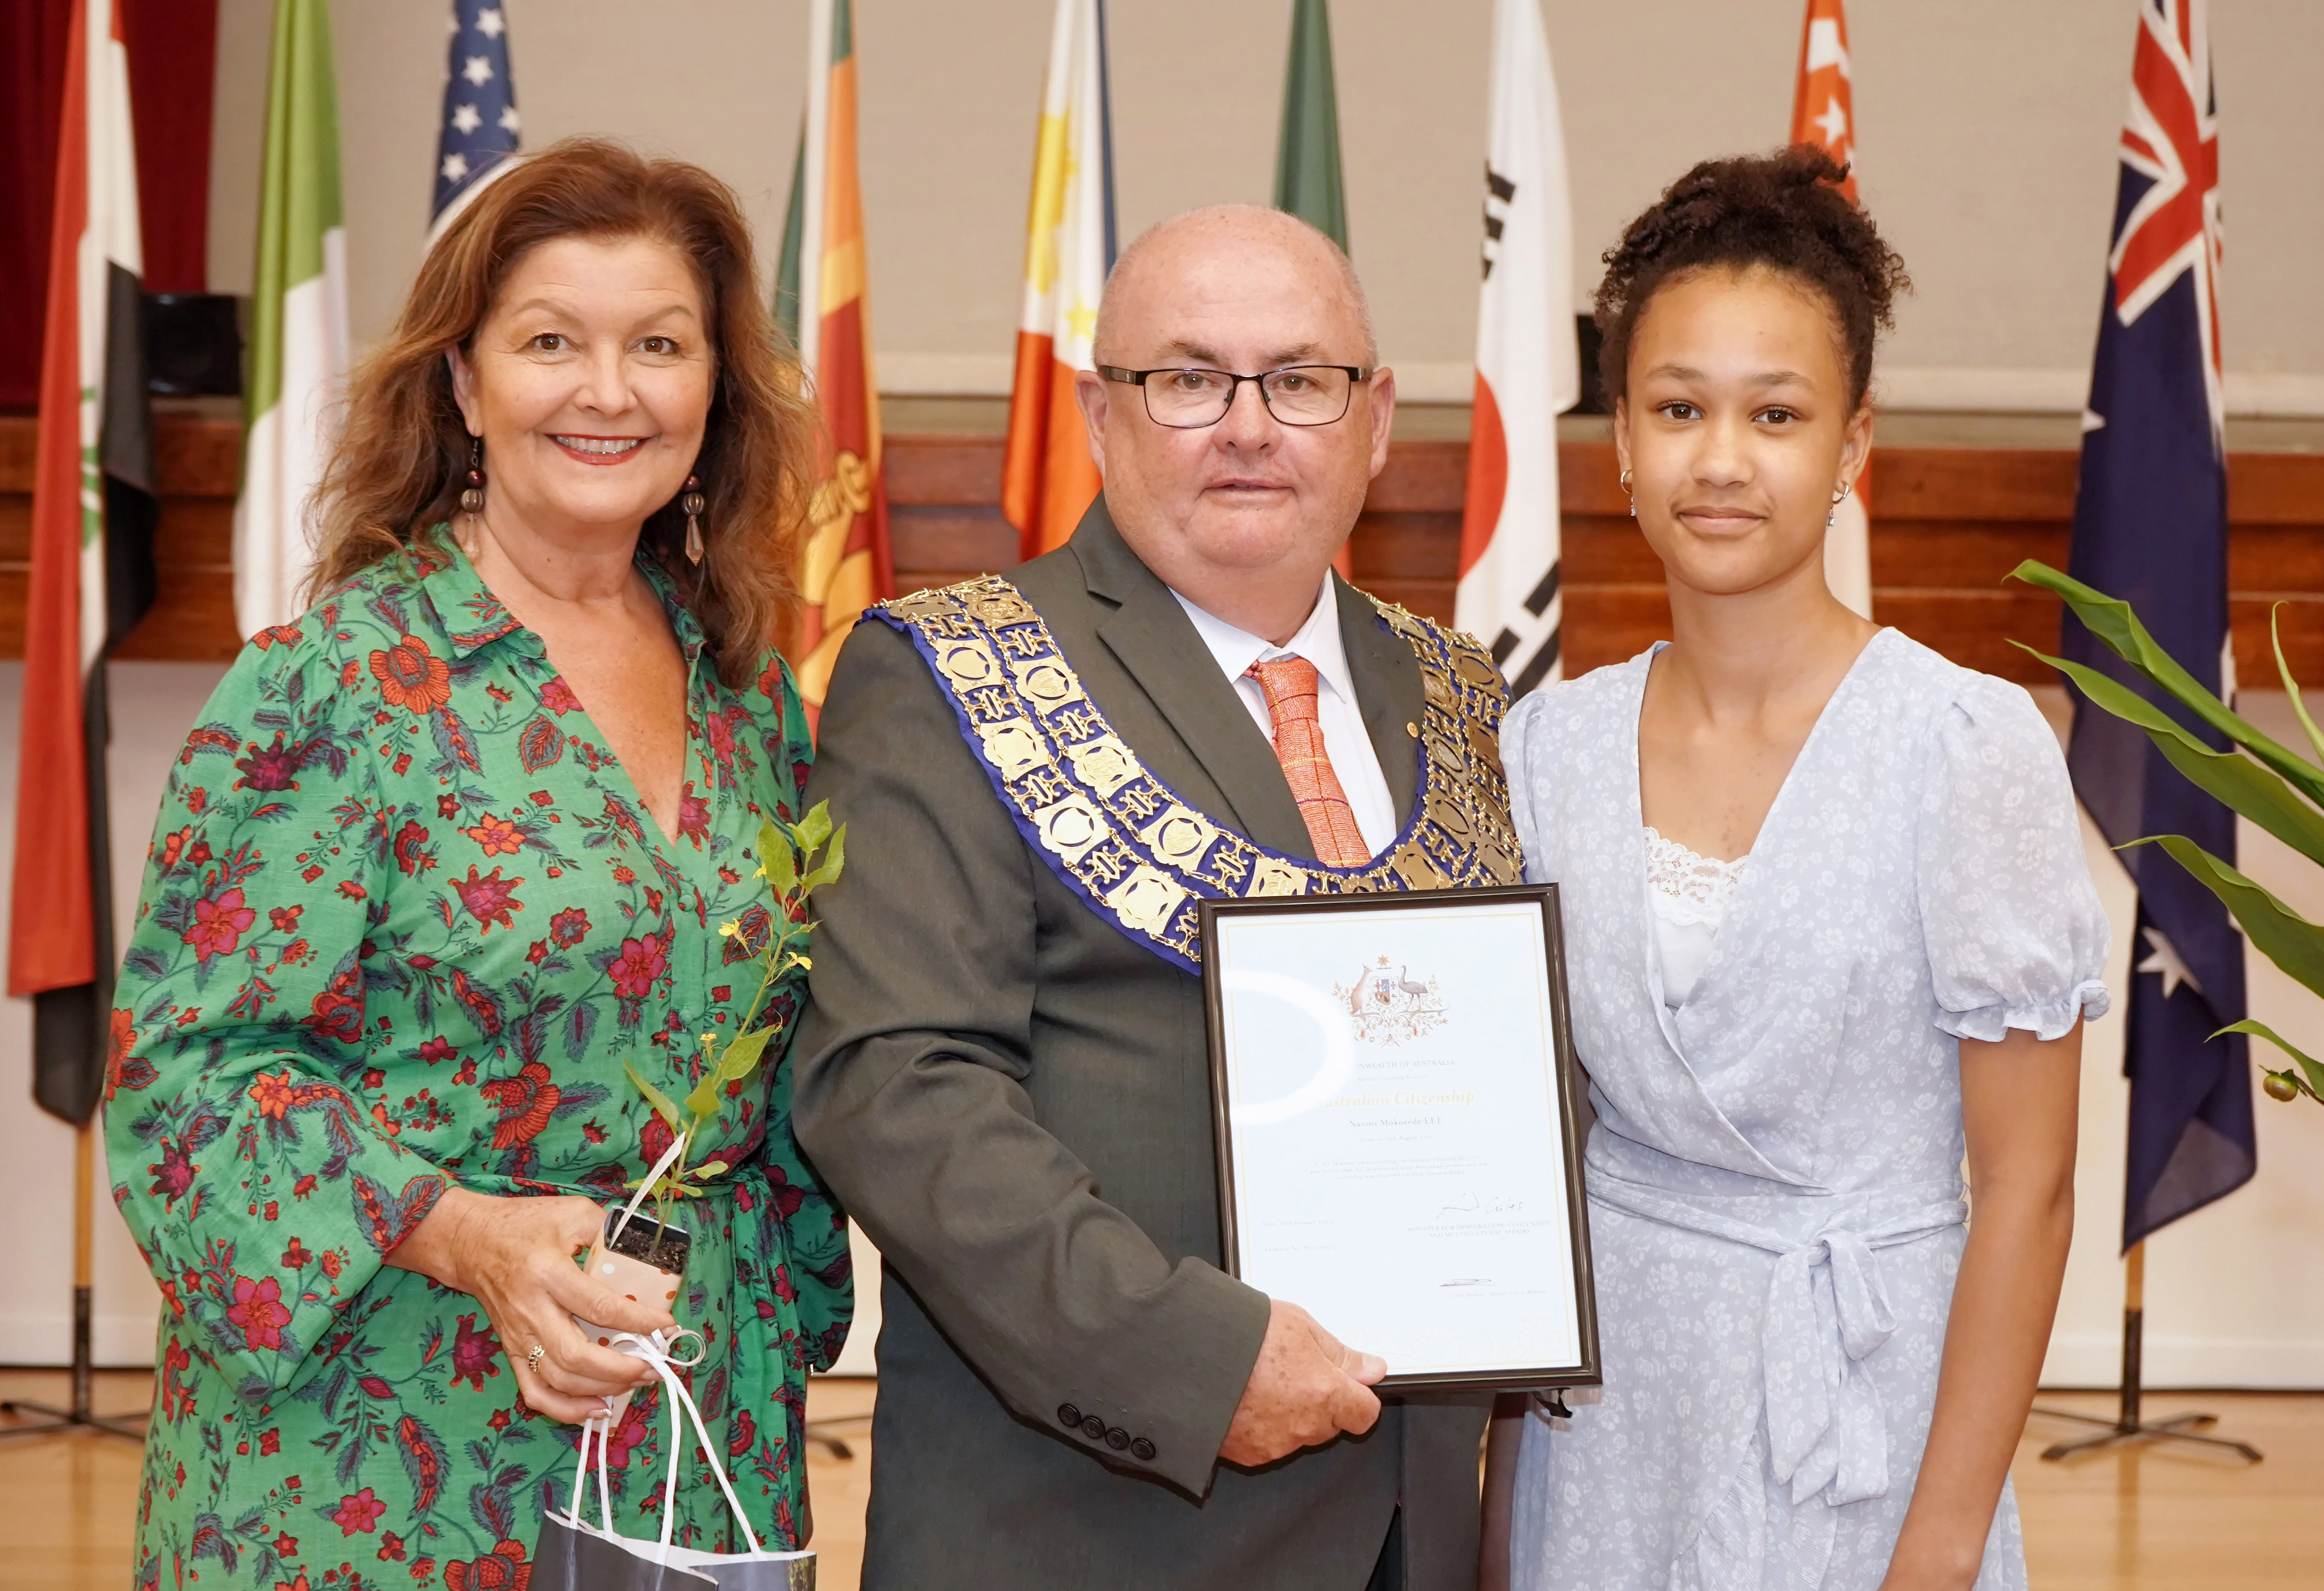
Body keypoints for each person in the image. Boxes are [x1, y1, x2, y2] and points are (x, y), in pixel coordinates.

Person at [102, 140, 850, 1587]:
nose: (609, 391)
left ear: (716, 391)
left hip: (688, 1451)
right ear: (464, 383)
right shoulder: (334, 686)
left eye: (660, 345)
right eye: (551, 342)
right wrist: (468, 1236)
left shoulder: (760, 703)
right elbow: (185, 1081)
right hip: (378, 1447)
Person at [789, 205, 1521, 1590]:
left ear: (1375, 423)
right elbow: (895, 1085)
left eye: (1300, 380)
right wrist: (1198, 1363)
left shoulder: (1457, 694)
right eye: (1188, 380)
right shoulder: (943, 671)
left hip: (1410, 1529)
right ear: (1100, 415)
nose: (1248, 426)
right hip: (1100, 1521)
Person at [1481, 148, 2109, 1591]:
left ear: (1853, 447)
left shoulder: (1964, 747)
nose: (1721, 459)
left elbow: (2029, 1190)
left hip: (1861, 1424)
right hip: (1603, 1430)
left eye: (1776, 414)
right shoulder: (1548, 749)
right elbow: (1540, 1174)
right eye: (1677, 408)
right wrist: (1503, 1508)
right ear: (1621, 443)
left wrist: (1940, 1547)